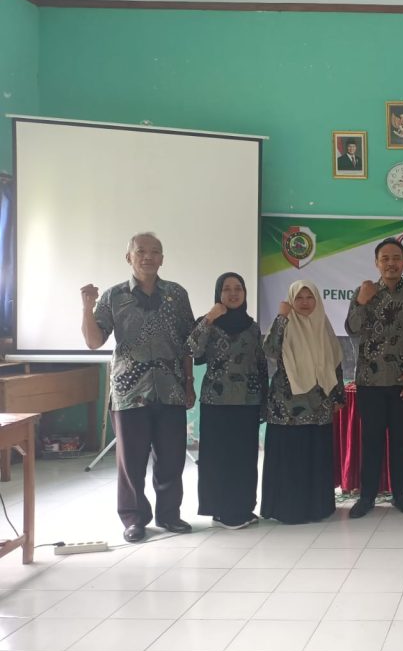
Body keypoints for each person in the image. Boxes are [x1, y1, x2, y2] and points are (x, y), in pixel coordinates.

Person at [80, 232, 195, 543]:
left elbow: (188, 343)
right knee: (131, 462)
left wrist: (189, 382)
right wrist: (87, 307)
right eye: (141, 251)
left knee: (172, 458)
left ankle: (169, 514)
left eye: (155, 251)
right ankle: (134, 519)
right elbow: (94, 341)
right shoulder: (113, 297)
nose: (148, 257)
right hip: (129, 391)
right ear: (128, 257)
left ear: (162, 259)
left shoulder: (176, 294)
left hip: (171, 388)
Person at [345, 237, 403, 518]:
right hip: (370, 383)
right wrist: (361, 302)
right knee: (371, 442)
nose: (391, 263)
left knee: (401, 441)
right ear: (377, 263)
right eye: (385, 258)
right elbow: (352, 328)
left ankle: (400, 495)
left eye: (396, 258)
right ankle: (367, 498)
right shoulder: (364, 292)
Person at [261, 280, 345, 524]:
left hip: (320, 404)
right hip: (288, 407)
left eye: (310, 297)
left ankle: (317, 509)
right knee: (291, 459)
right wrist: (281, 317)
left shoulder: (323, 325)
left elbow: (335, 362)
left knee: (315, 457)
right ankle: (289, 510)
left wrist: (339, 396)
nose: (305, 302)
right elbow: (270, 350)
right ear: (291, 301)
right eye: (299, 298)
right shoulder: (285, 324)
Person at [187, 272, 267, 529]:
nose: (233, 293)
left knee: (245, 458)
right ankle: (222, 511)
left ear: (245, 293)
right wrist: (209, 318)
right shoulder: (208, 323)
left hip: (248, 400)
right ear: (218, 294)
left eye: (238, 288)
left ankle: (242, 507)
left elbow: (260, 365)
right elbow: (191, 350)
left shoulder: (253, 327)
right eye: (227, 289)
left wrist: (264, 401)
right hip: (217, 401)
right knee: (218, 458)